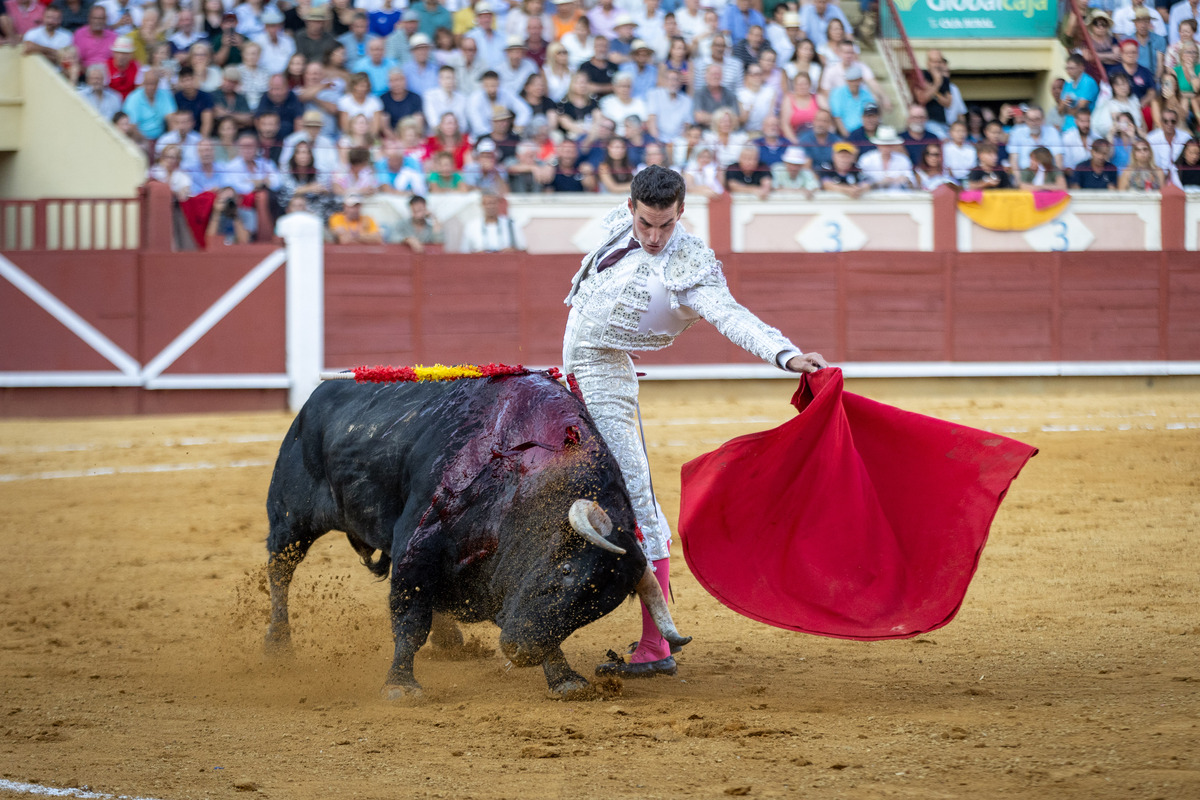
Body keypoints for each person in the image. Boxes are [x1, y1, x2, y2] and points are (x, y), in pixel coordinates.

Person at [563, 166, 827, 679]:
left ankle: (655, 643)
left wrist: (785, 355)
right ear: (633, 208)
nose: (655, 237)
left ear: (681, 211)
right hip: (567, 371)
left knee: (636, 497)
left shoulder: (691, 266)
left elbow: (731, 316)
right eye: (645, 225)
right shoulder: (622, 220)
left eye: (664, 225)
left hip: (604, 378)